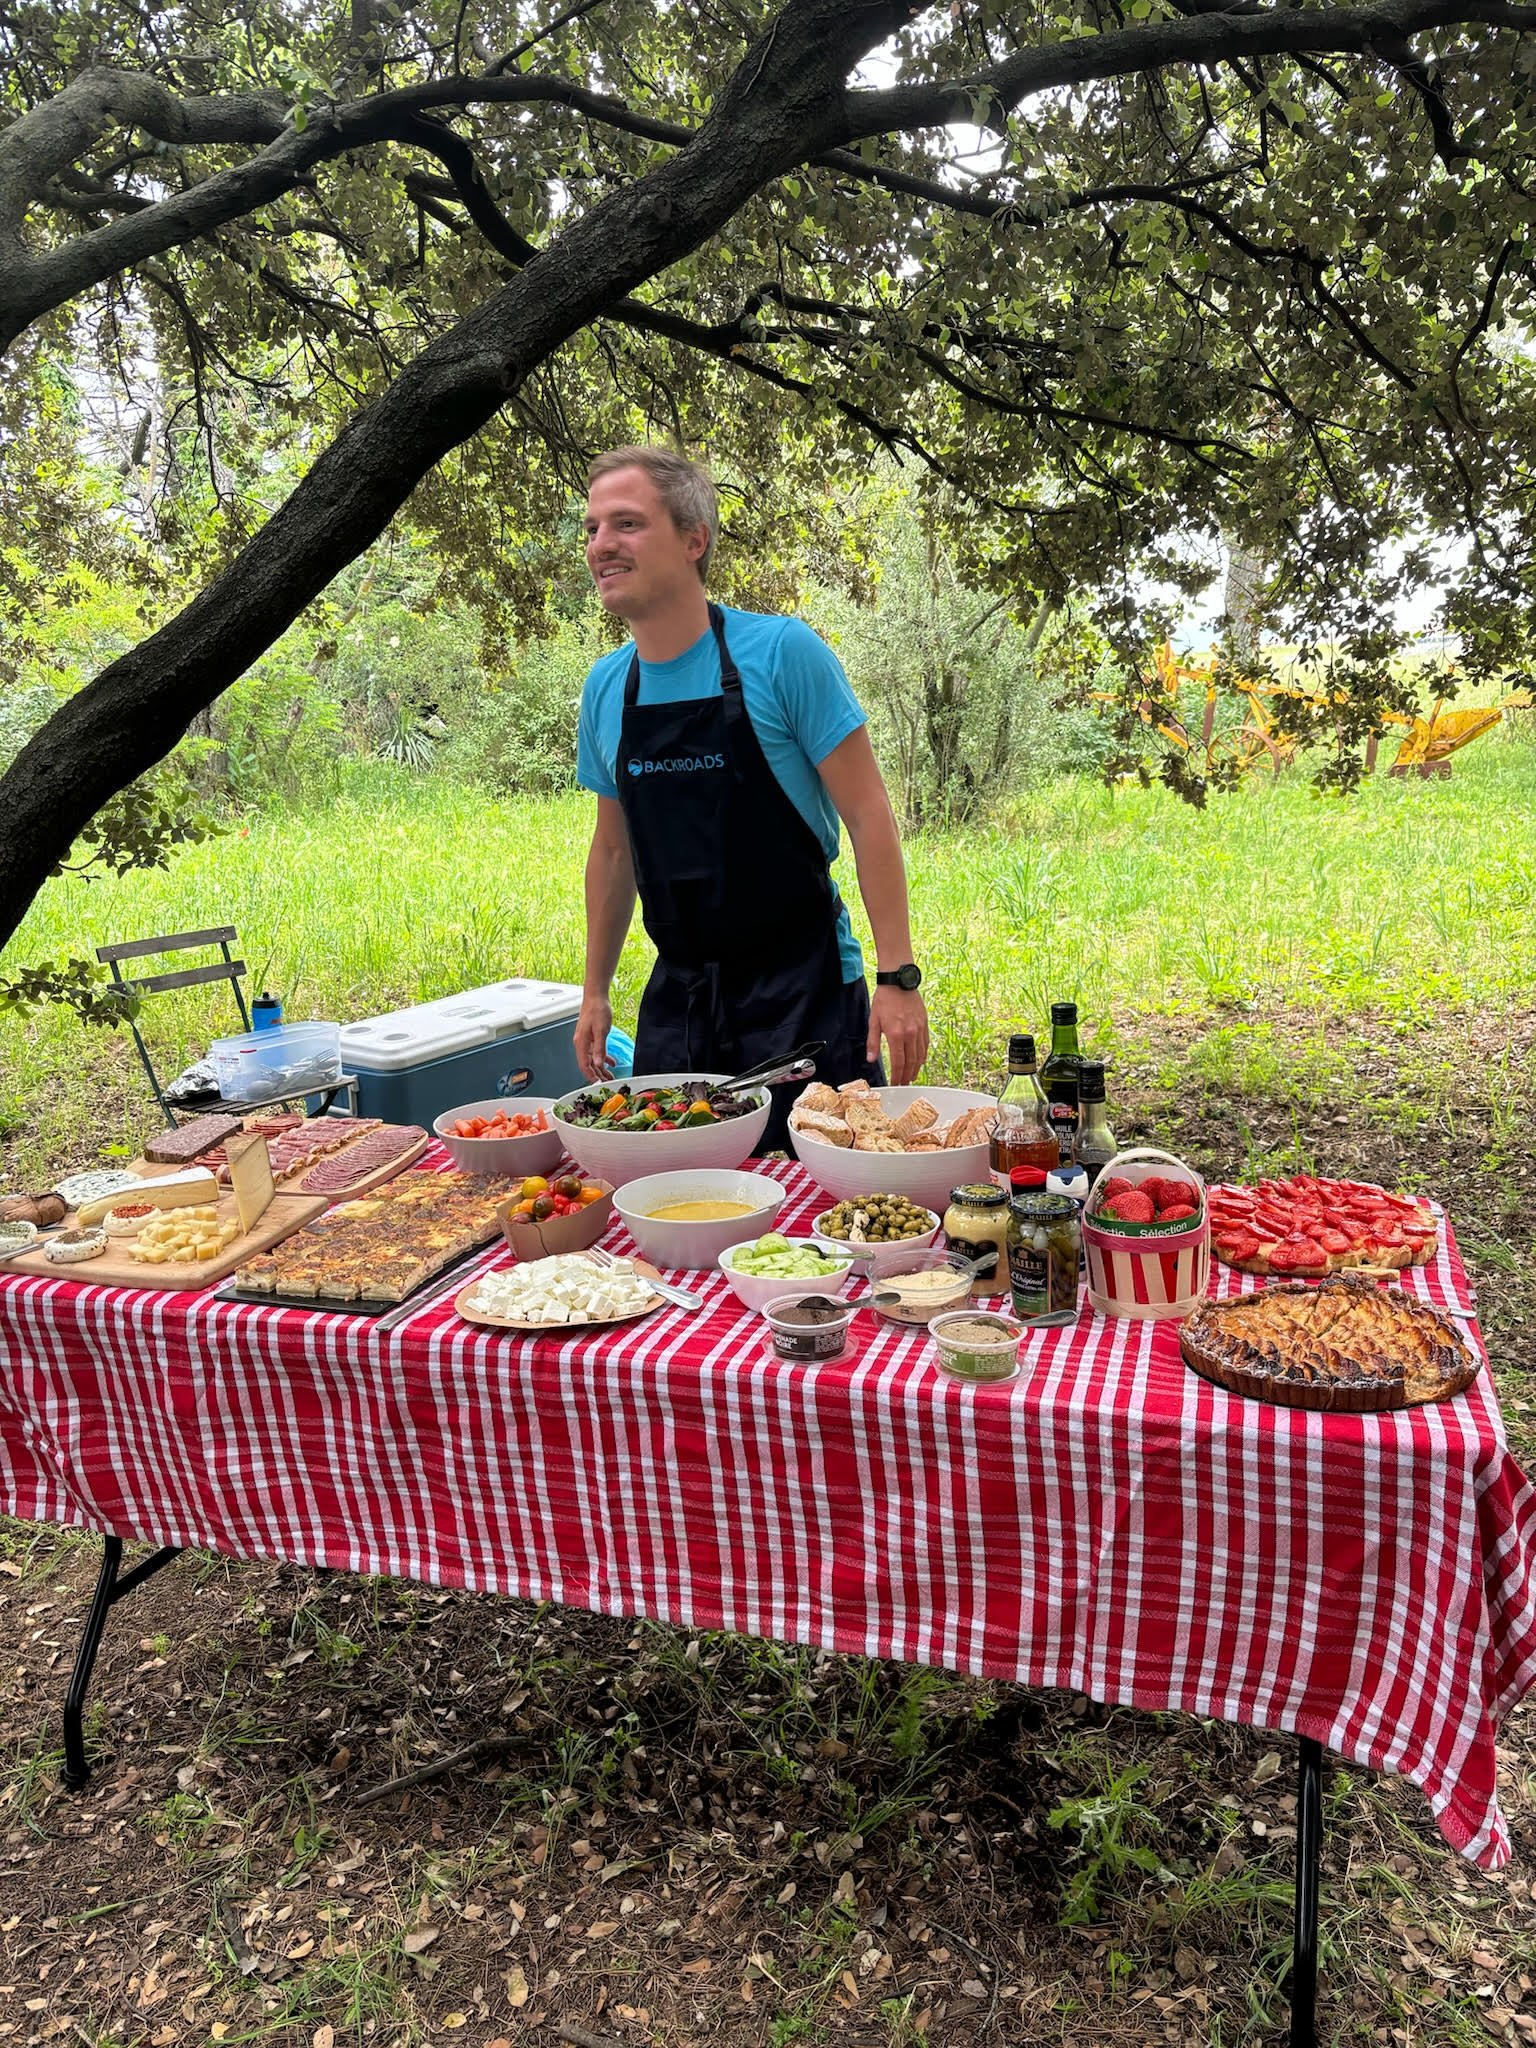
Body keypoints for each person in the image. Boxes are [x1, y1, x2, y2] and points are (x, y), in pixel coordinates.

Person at [572, 445, 929, 1151]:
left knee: (830, 1197)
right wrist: (595, 990)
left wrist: (898, 976)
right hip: (681, 1005)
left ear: (694, 539)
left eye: (627, 523)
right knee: (670, 1193)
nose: (601, 544)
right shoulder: (607, 688)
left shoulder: (782, 654)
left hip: (805, 993)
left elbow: (868, 814)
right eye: (592, 528)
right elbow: (613, 852)